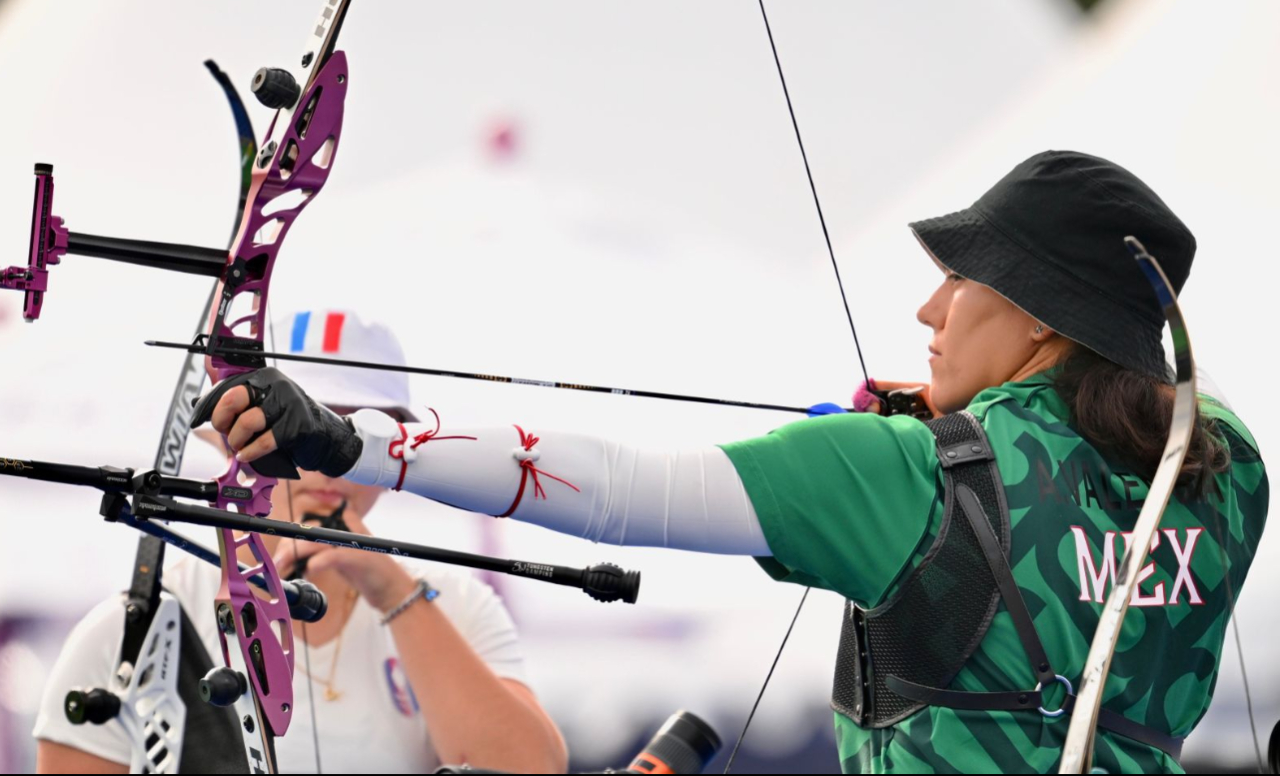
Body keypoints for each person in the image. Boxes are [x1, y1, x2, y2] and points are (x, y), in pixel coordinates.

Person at [198, 152, 1268, 774]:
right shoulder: (1227, 477)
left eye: (965, 281)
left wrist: (353, 442)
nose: (929, 308)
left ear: (1041, 319)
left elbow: (623, 486)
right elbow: (1101, 457)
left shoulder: (908, 477)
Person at [34, 310, 567, 774]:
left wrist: (390, 589)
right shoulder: (138, 623)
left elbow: (528, 767)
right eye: (293, 428)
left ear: (394, 454)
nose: (323, 461)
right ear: (234, 438)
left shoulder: (457, 604)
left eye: (358, 435)